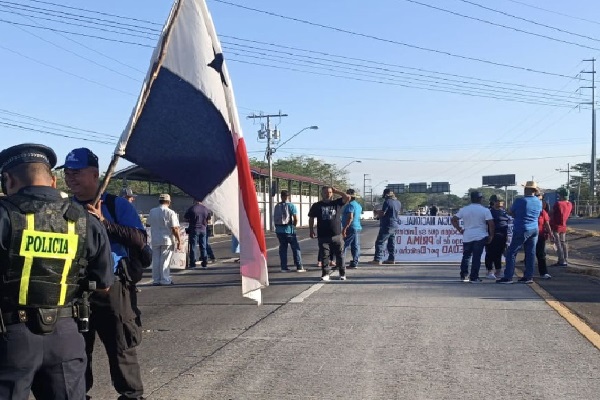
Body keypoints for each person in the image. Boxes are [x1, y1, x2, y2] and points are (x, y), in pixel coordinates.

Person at [0, 144, 113, 400]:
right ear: (53, 180)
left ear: (9, 179)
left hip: (10, 338)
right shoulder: (86, 220)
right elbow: (105, 284)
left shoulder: (3, 215)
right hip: (66, 334)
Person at [60, 147, 146, 399]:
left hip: (113, 288)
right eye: (67, 173)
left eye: (77, 172)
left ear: (95, 174)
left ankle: (131, 395)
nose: (71, 178)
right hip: (75, 290)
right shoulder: (63, 209)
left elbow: (140, 239)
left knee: (122, 348)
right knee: (75, 351)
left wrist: (104, 223)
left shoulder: (116, 205)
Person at [497, 181, 543, 284]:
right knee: (531, 253)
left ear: (526, 189)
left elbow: (511, 212)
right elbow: (539, 214)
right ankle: (528, 277)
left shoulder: (520, 200)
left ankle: (508, 276)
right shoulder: (538, 201)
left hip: (522, 228)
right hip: (534, 228)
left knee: (511, 253)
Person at [308, 186, 350, 281]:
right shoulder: (317, 205)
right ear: (322, 194)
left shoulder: (337, 203)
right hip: (323, 235)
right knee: (324, 256)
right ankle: (325, 274)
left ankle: (342, 273)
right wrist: (311, 230)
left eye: (330, 192)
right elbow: (311, 218)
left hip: (337, 235)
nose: (328, 194)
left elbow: (347, 197)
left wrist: (337, 191)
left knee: (340, 255)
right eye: (326, 192)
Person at [451, 191, 494, 283]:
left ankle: (464, 275)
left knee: (466, 256)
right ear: (480, 199)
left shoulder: (464, 209)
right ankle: (474, 277)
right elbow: (491, 223)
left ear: (471, 199)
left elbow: (454, 219)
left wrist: (460, 229)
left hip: (467, 236)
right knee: (476, 257)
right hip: (480, 236)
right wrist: (491, 235)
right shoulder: (485, 210)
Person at [147, 194, 181, 285]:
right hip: (167, 239)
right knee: (165, 260)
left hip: (155, 239)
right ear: (169, 202)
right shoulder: (170, 212)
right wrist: (179, 241)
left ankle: (156, 279)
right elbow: (175, 228)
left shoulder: (152, 211)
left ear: (159, 201)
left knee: (156, 260)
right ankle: (165, 279)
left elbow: (148, 224)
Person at [273, 190, 305, 272]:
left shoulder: (277, 206)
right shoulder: (291, 206)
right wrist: (294, 225)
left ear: (281, 196)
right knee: (295, 248)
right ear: (289, 196)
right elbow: (296, 218)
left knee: (283, 249)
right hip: (289, 230)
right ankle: (299, 267)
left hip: (279, 230)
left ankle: (284, 267)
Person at [369, 188, 401, 265]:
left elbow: (383, 213)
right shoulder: (398, 202)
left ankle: (377, 259)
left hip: (387, 224)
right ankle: (391, 259)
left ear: (386, 195)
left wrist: (377, 212)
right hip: (394, 224)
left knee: (380, 242)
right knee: (391, 242)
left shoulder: (387, 202)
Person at [484, 195, 509, 279]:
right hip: (492, 235)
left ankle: (498, 271)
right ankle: (489, 271)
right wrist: (489, 235)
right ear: (494, 202)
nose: (502, 202)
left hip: (502, 235)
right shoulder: (488, 211)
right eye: (499, 201)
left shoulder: (504, 212)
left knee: (499, 253)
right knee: (490, 253)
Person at [184, 199, 211, 269]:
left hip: (194, 229)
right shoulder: (206, 209)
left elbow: (186, 218)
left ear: (194, 201)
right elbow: (209, 219)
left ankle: (193, 264)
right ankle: (204, 263)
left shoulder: (191, 208)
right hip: (203, 229)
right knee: (203, 246)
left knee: (193, 246)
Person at [550, 187, 573, 267]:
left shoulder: (558, 203)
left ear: (562, 195)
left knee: (558, 243)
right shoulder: (570, 204)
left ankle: (561, 260)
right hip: (563, 226)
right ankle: (566, 259)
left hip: (556, 225)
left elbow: (551, 212)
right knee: (563, 243)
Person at [342, 188, 363, 269]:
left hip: (350, 227)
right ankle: (355, 262)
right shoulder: (358, 205)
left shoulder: (350, 205)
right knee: (355, 245)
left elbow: (350, 217)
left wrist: (345, 228)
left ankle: (340, 262)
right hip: (357, 227)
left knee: (344, 245)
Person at [535, 194, 553, 279]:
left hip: (540, 235)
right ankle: (527, 274)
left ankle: (544, 273)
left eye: (541, 201)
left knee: (541, 254)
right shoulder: (528, 210)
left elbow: (547, 224)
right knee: (529, 254)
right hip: (529, 236)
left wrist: (550, 234)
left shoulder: (543, 212)